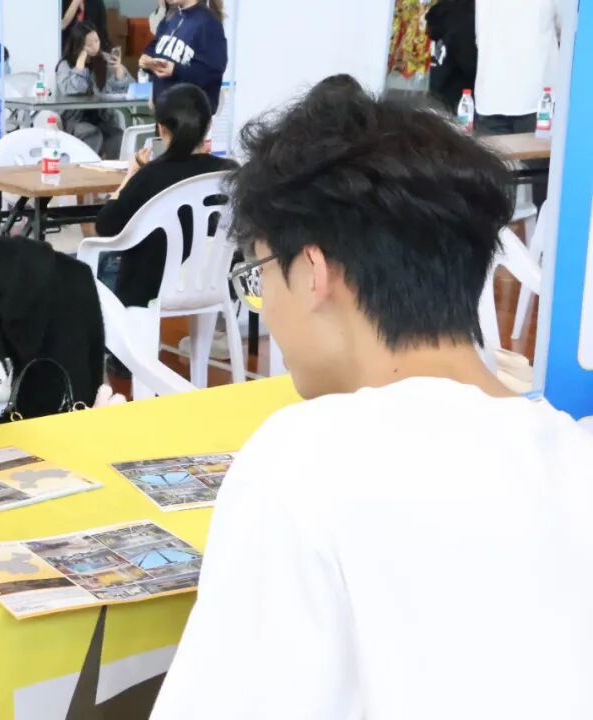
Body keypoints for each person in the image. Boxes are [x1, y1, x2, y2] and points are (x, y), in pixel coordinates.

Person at [151, 76, 593, 718]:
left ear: (314, 271)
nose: (266, 307)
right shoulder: (574, 457)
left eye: (259, 275)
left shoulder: (302, 461)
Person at [95, 83, 233, 308]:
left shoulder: (149, 176)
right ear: (209, 125)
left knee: (100, 262)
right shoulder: (230, 172)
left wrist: (130, 175)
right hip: (212, 285)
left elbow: (105, 226)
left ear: (161, 129)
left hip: (147, 292)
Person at [474, 0, 563, 134]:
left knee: (490, 148)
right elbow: (567, 28)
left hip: (491, 96)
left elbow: (479, 36)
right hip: (537, 97)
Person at [55, 22, 131, 159]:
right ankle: (86, 167)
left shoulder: (105, 60)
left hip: (102, 117)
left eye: (96, 41)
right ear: (79, 46)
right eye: (89, 45)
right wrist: (80, 65)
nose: (95, 46)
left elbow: (125, 89)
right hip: (75, 119)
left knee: (117, 135)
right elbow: (73, 89)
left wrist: (118, 71)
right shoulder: (65, 65)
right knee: (91, 133)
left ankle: (110, 168)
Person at [140, 0, 227, 115]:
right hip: (164, 111)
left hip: (189, 115)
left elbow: (212, 72)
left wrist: (175, 70)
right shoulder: (170, 18)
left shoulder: (208, 23)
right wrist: (147, 59)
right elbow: (155, 45)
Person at [426, 0, 477, 113]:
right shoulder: (465, 18)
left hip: (437, 94)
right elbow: (470, 64)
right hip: (459, 102)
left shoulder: (440, 12)